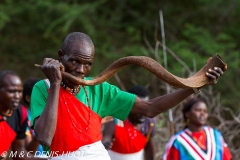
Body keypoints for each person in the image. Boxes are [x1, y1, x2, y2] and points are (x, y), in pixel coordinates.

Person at [30, 32, 225, 160]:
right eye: (74, 62)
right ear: (60, 55)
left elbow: (150, 108)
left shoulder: (100, 89)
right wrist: (56, 83)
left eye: (88, 64)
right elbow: (45, 138)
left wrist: (195, 85)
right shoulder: (44, 88)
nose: (81, 70)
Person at [163, 97, 232, 160]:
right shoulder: (178, 141)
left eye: (205, 111)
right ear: (187, 114)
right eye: (198, 110)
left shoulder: (216, 136)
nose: (202, 113)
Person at [0, 70, 47, 160]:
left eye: (19, 91)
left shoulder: (20, 112)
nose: (17, 96)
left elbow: (19, 152)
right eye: (11, 91)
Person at [102, 85, 156, 160]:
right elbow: (106, 138)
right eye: (140, 108)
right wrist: (104, 144)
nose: (144, 113)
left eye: (146, 107)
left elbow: (149, 146)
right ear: (129, 105)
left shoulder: (149, 122)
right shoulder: (116, 120)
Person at [22, 78, 46, 157]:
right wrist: (40, 134)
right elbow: (28, 151)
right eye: (40, 95)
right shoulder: (24, 117)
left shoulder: (53, 114)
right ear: (28, 98)